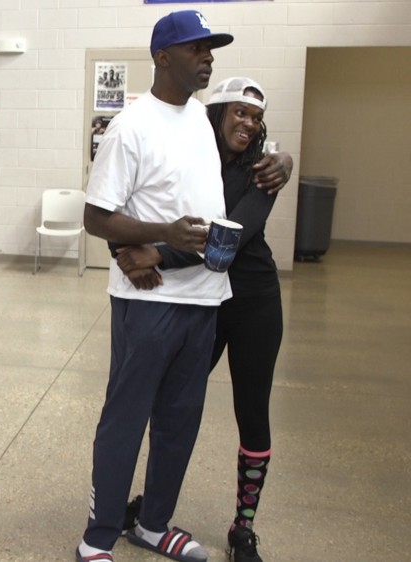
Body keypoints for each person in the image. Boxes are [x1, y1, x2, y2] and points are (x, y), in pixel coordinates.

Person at [76, 10, 240, 562]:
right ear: (162, 56)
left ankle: (153, 524)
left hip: (205, 297)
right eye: (198, 49)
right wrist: (157, 236)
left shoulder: (199, 119)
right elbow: (97, 217)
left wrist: (280, 159)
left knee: (179, 422)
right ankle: (98, 537)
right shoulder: (131, 126)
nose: (208, 58)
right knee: (125, 419)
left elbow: (248, 143)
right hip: (150, 303)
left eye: (211, 49)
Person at [115, 77, 289, 562]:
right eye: (239, 113)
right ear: (216, 113)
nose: (248, 124)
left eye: (255, 117)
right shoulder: (192, 155)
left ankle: (243, 529)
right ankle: (153, 509)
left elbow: (228, 240)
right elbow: (136, 202)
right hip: (202, 301)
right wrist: (129, 248)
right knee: (173, 407)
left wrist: (156, 254)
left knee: (252, 413)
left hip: (252, 303)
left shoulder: (264, 171)